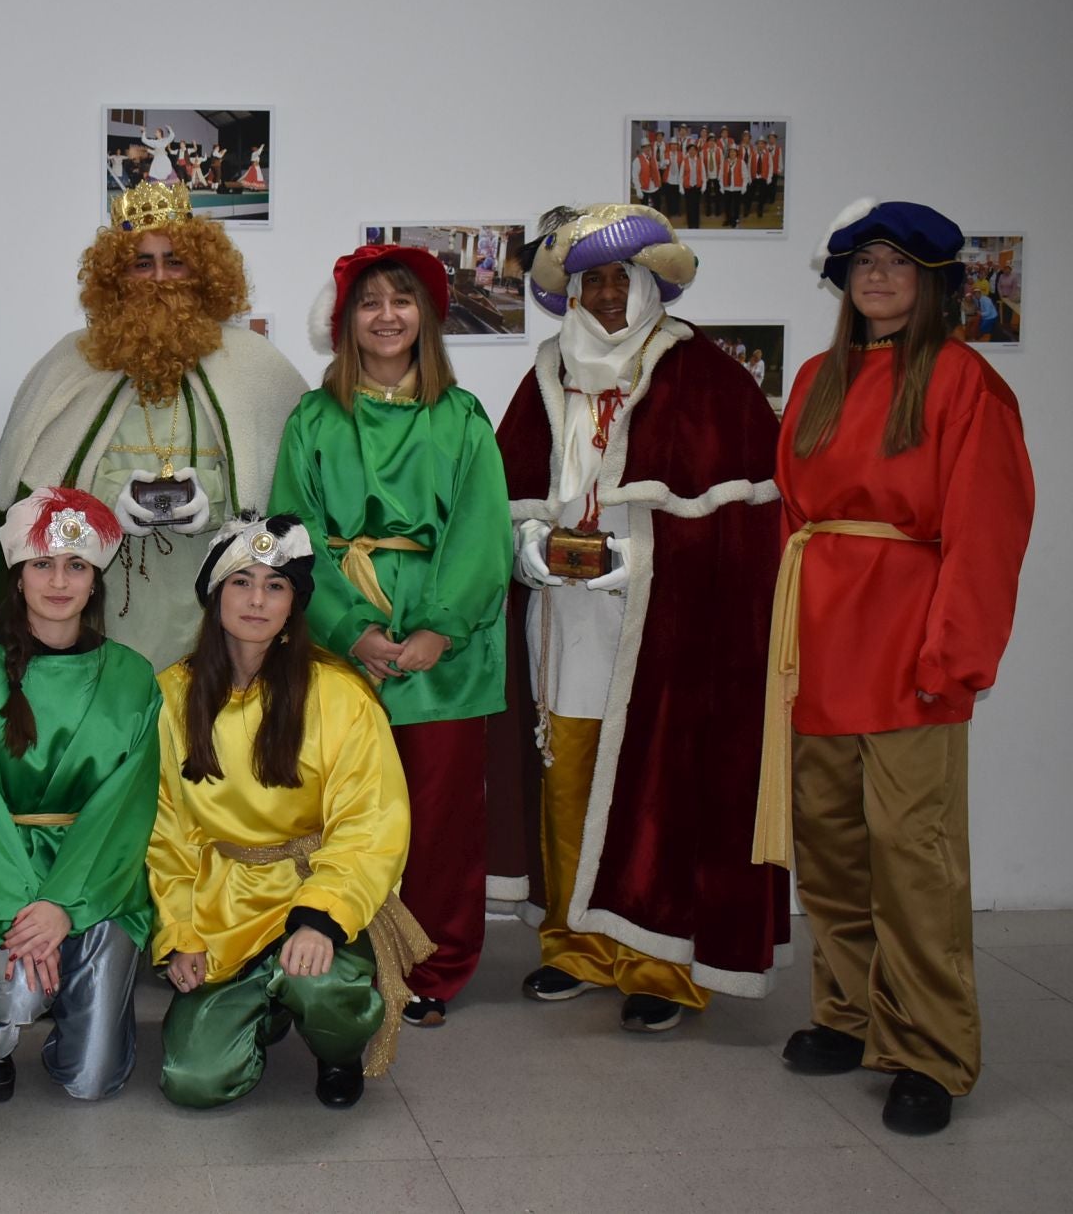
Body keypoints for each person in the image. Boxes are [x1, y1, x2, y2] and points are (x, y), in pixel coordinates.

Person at [763, 200, 1033, 1135]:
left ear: (933, 282)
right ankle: (846, 1012)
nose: (877, 275)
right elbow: (791, 519)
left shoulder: (963, 383)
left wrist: (955, 656)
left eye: (898, 262)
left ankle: (929, 1047)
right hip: (820, 645)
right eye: (862, 261)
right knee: (833, 847)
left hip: (910, 647)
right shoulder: (815, 379)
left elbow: (989, 532)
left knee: (912, 854)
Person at [487, 204, 789, 1034]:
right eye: (594, 281)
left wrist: (644, 561)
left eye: (623, 279)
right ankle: (575, 946)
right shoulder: (548, 369)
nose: (609, 294)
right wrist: (528, 548)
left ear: (652, 284)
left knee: (660, 794)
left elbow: (744, 524)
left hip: (665, 632)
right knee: (569, 780)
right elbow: (508, 490)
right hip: (562, 623)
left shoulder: (707, 376)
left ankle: (660, 959)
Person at [270, 244, 511, 1026]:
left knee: (440, 816)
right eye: (369, 302)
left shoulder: (463, 417)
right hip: (345, 644)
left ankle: (433, 965)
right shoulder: (314, 417)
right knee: (340, 812)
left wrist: (439, 630)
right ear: (346, 322)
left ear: (426, 317)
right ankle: (342, 955)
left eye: (401, 300)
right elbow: (293, 532)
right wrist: (348, 628)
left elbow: (482, 535)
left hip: (447, 651)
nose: (386, 315)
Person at [152, 513, 431, 1108]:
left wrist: (321, 918)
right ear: (213, 592)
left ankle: (337, 1049)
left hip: (312, 884)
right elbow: (165, 830)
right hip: (221, 904)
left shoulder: (339, 693)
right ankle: (264, 1006)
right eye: (241, 581)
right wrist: (181, 932)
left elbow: (370, 820)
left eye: (275, 585)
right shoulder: (172, 694)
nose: (257, 599)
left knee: (327, 989)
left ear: (293, 604)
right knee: (192, 1082)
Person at [0, 180, 309, 670]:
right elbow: (25, 494)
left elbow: (291, 488)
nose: (160, 277)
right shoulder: (72, 361)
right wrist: (110, 498)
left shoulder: (256, 366)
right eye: (143, 263)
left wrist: (218, 501)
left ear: (202, 273)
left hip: (215, 597)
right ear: (117, 277)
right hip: (102, 598)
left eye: (174, 261)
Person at [0, 487, 162, 1102]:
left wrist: (63, 906)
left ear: (95, 580)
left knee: (90, 1081)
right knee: (18, 985)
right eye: (43, 564)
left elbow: (124, 811)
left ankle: (85, 985)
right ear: (18, 576)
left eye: (76, 566)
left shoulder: (132, 676)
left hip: (99, 873)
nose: (59, 581)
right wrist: (21, 911)